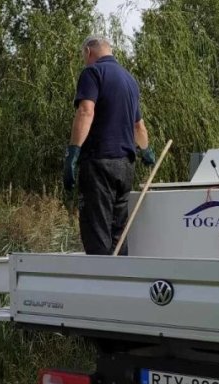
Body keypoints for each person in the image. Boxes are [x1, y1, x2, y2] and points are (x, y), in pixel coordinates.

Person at [63, 35, 155, 256]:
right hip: (125, 166)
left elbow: (86, 111)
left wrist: (73, 152)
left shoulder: (93, 72)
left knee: (97, 231)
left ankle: (99, 284)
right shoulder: (130, 80)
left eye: (83, 56)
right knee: (118, 232)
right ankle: (120, 284)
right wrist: (146, 151)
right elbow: (139, 127)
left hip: (99, 162)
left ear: (88, 51)